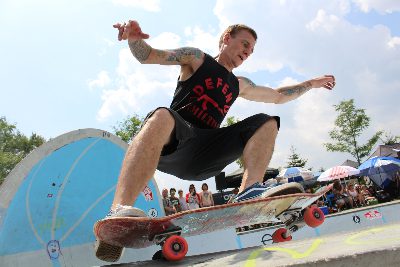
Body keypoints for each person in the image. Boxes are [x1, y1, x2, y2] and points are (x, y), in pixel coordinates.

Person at [95, 20, 335, 262]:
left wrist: (310, 84)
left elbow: (278, 96)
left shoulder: (239, 84)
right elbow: (149, 56)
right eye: (244, 44)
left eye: (251, 50)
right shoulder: (196, 58)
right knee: (161, 116)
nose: (247, 52)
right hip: (175, 143)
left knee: (267, 122)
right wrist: (134, 40)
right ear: (227, 37)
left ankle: (249, 192)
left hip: (205, 155)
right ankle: (120, 211)